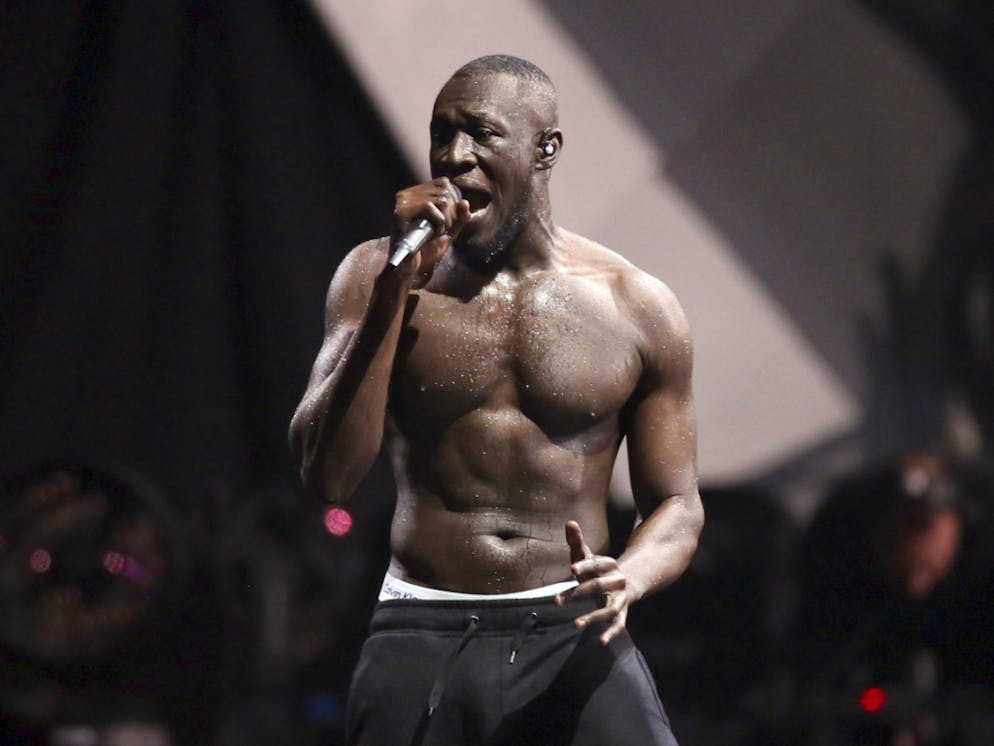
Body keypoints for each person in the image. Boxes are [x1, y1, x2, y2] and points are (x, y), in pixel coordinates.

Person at [289, 54, 704, 746]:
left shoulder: (636, 306)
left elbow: (678, 505)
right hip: (422, 624)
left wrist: (629, 578)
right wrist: (395, 288)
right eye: (441, 133)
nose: (454, 156)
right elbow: (329, 474)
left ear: (546, 148)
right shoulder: (375, 275)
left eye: (481, 133)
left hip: (572, 624)